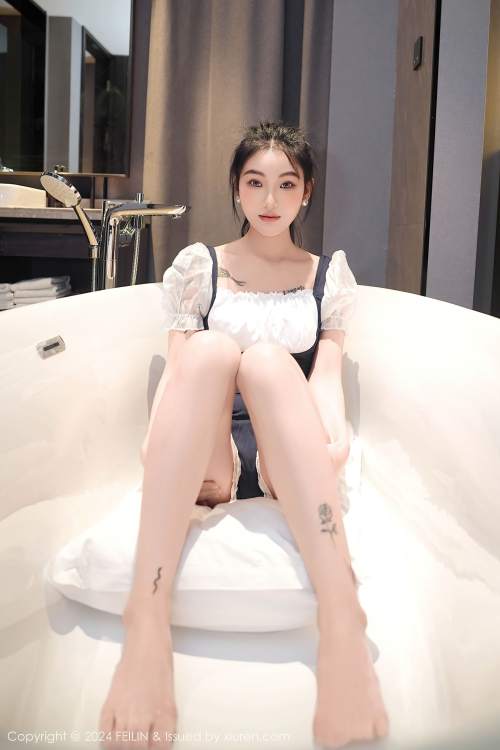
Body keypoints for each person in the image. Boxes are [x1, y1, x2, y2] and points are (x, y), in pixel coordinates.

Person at [99, 120, 390, 749]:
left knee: (267, 362)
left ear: (306, 192)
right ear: (236, 188)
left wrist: (332, 441)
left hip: (288, 447)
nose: (269, 199)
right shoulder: (200, 266)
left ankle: (343, 622)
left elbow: (326, 375)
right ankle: (146, 619)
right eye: (255, 182)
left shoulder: (326, 275)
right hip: (211, 454)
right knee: (211, 351)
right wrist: (157, 444)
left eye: (286, 184)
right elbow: (180, 370)